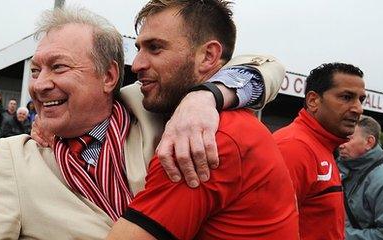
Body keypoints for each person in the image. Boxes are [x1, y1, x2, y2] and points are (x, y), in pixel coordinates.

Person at [0, 6, 283, 239]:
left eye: (59, 67)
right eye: (36, 70)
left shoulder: (155, 109)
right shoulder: (14, 158)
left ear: (108, 76)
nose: (39, 84)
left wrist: (204, 96)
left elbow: (268, 67)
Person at [108, 1, 297, 239]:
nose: (136, 65)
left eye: (155, 48)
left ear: (208, 56)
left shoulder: (203, 138)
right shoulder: (216, 119)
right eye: (139, 49)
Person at [272, 62, 367, 239]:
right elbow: (268, 229)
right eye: (347, 97)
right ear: (313, 100)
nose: (358, 109)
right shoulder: (294, 147)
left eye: (361, 99)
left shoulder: (321, 145)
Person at [337, 116, 383, 239]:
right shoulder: (337, 169)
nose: (341, 144)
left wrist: (339, 235)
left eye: (348, 139)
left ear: (369, 142)